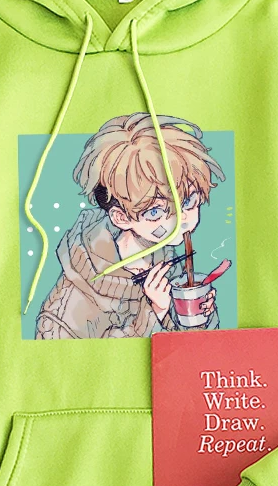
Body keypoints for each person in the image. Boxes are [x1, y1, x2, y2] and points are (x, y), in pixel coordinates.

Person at [35, 112, 227, 339]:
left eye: (187, 201)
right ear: (121, 218)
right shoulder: (65, 310)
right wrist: (155, 311)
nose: (181, 219)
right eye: (155, 212)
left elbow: (186, 348)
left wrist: (197, 318)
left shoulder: (165, 260)